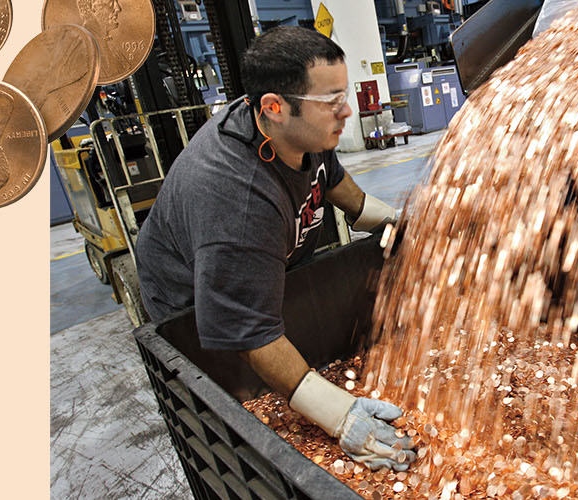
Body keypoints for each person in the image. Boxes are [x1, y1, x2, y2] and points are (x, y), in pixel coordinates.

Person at [134, 27, 412, 471]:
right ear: (274, 108)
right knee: (239, 396)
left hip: (259, 271)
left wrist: (391, 219)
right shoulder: (236, 198)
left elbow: (336, 182)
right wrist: (341, 417)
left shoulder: (305, 134)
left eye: (346, 93)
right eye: (331, 101)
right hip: (192, 302)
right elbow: (249, 331)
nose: (348, 111)